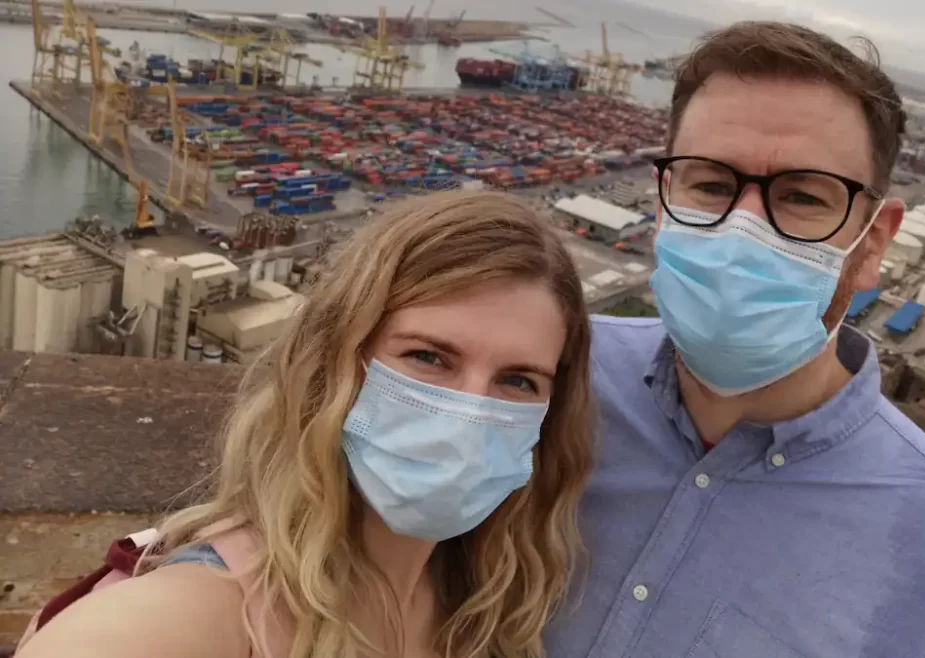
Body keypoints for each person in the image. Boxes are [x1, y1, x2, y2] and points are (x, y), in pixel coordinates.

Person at [544, 21, 925, 658]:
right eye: (711, 185)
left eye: (802, 196)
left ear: (874, 244)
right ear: (664, 200)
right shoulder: (548, 379)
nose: (743, 227)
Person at [18, 190, 596, 658]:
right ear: (334, 362)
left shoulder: (484, 605)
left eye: (519, 381)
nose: (470, 409)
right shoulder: (200, 611)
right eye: (428, 357)